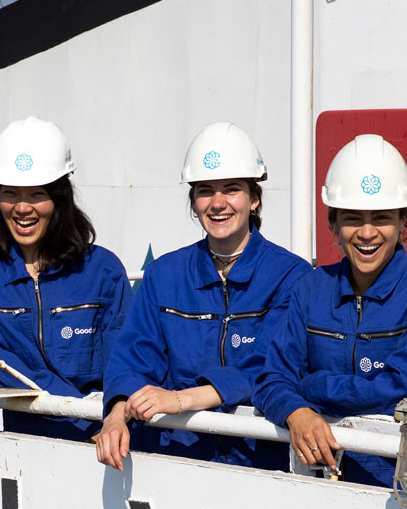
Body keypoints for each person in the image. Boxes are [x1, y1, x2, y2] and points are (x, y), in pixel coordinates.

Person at [252, 134, 407, 487]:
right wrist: (296, 412)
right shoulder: (311, 289)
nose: (367, 233)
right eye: (353, 218)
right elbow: (270, 379)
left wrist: (312, 388)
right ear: (333, 224)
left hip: (403, 487)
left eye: (382, 218)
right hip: (313, 484)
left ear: (404, 224)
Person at [95, 121, 312, 471]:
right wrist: (116, 416)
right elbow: (133, 356)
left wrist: (179, 400)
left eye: (231, 189)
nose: (218, 203)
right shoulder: (164, 275)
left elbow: (269, 366)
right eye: (205, 190)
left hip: (261, 460)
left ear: (254, 199)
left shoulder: (292, 276)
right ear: (193, 201)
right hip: (179, 459)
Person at [0, 116, 133, 441]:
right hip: (24, 445)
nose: (22, 208)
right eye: (10, 193)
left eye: (37, 194)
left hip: (105, 440)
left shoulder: (104, 270)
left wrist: (115, 417)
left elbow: (124, 358)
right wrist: (78, 409)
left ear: (60, 197)